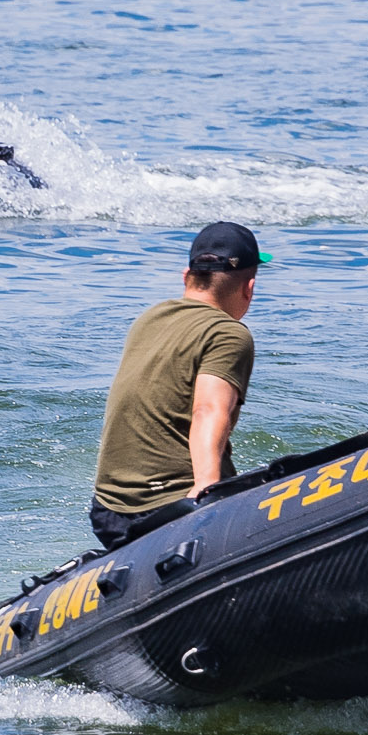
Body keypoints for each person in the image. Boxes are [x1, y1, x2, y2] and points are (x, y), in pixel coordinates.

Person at [89, 223, 266, 550]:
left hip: (109, 512)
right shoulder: (228, 333)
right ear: (249, 288)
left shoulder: (150, 317)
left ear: (187, 276)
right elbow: (208, 409)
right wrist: (206, 491)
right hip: (171, 508)